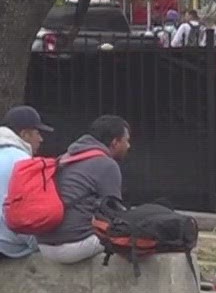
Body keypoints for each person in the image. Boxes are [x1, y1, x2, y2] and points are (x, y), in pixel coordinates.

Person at [39, 115, 130, 265]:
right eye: (126, 140)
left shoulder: (65, 158)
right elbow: (114, 213)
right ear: (115, 142)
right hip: (73, 246)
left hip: (44, 246)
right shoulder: (107, 164)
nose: (128, 146)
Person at [0, 105, 52, 260]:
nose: (41, 139)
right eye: (37, 133)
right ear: (24, 134)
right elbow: (24, 216)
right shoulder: (23, 162)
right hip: (8, 246)